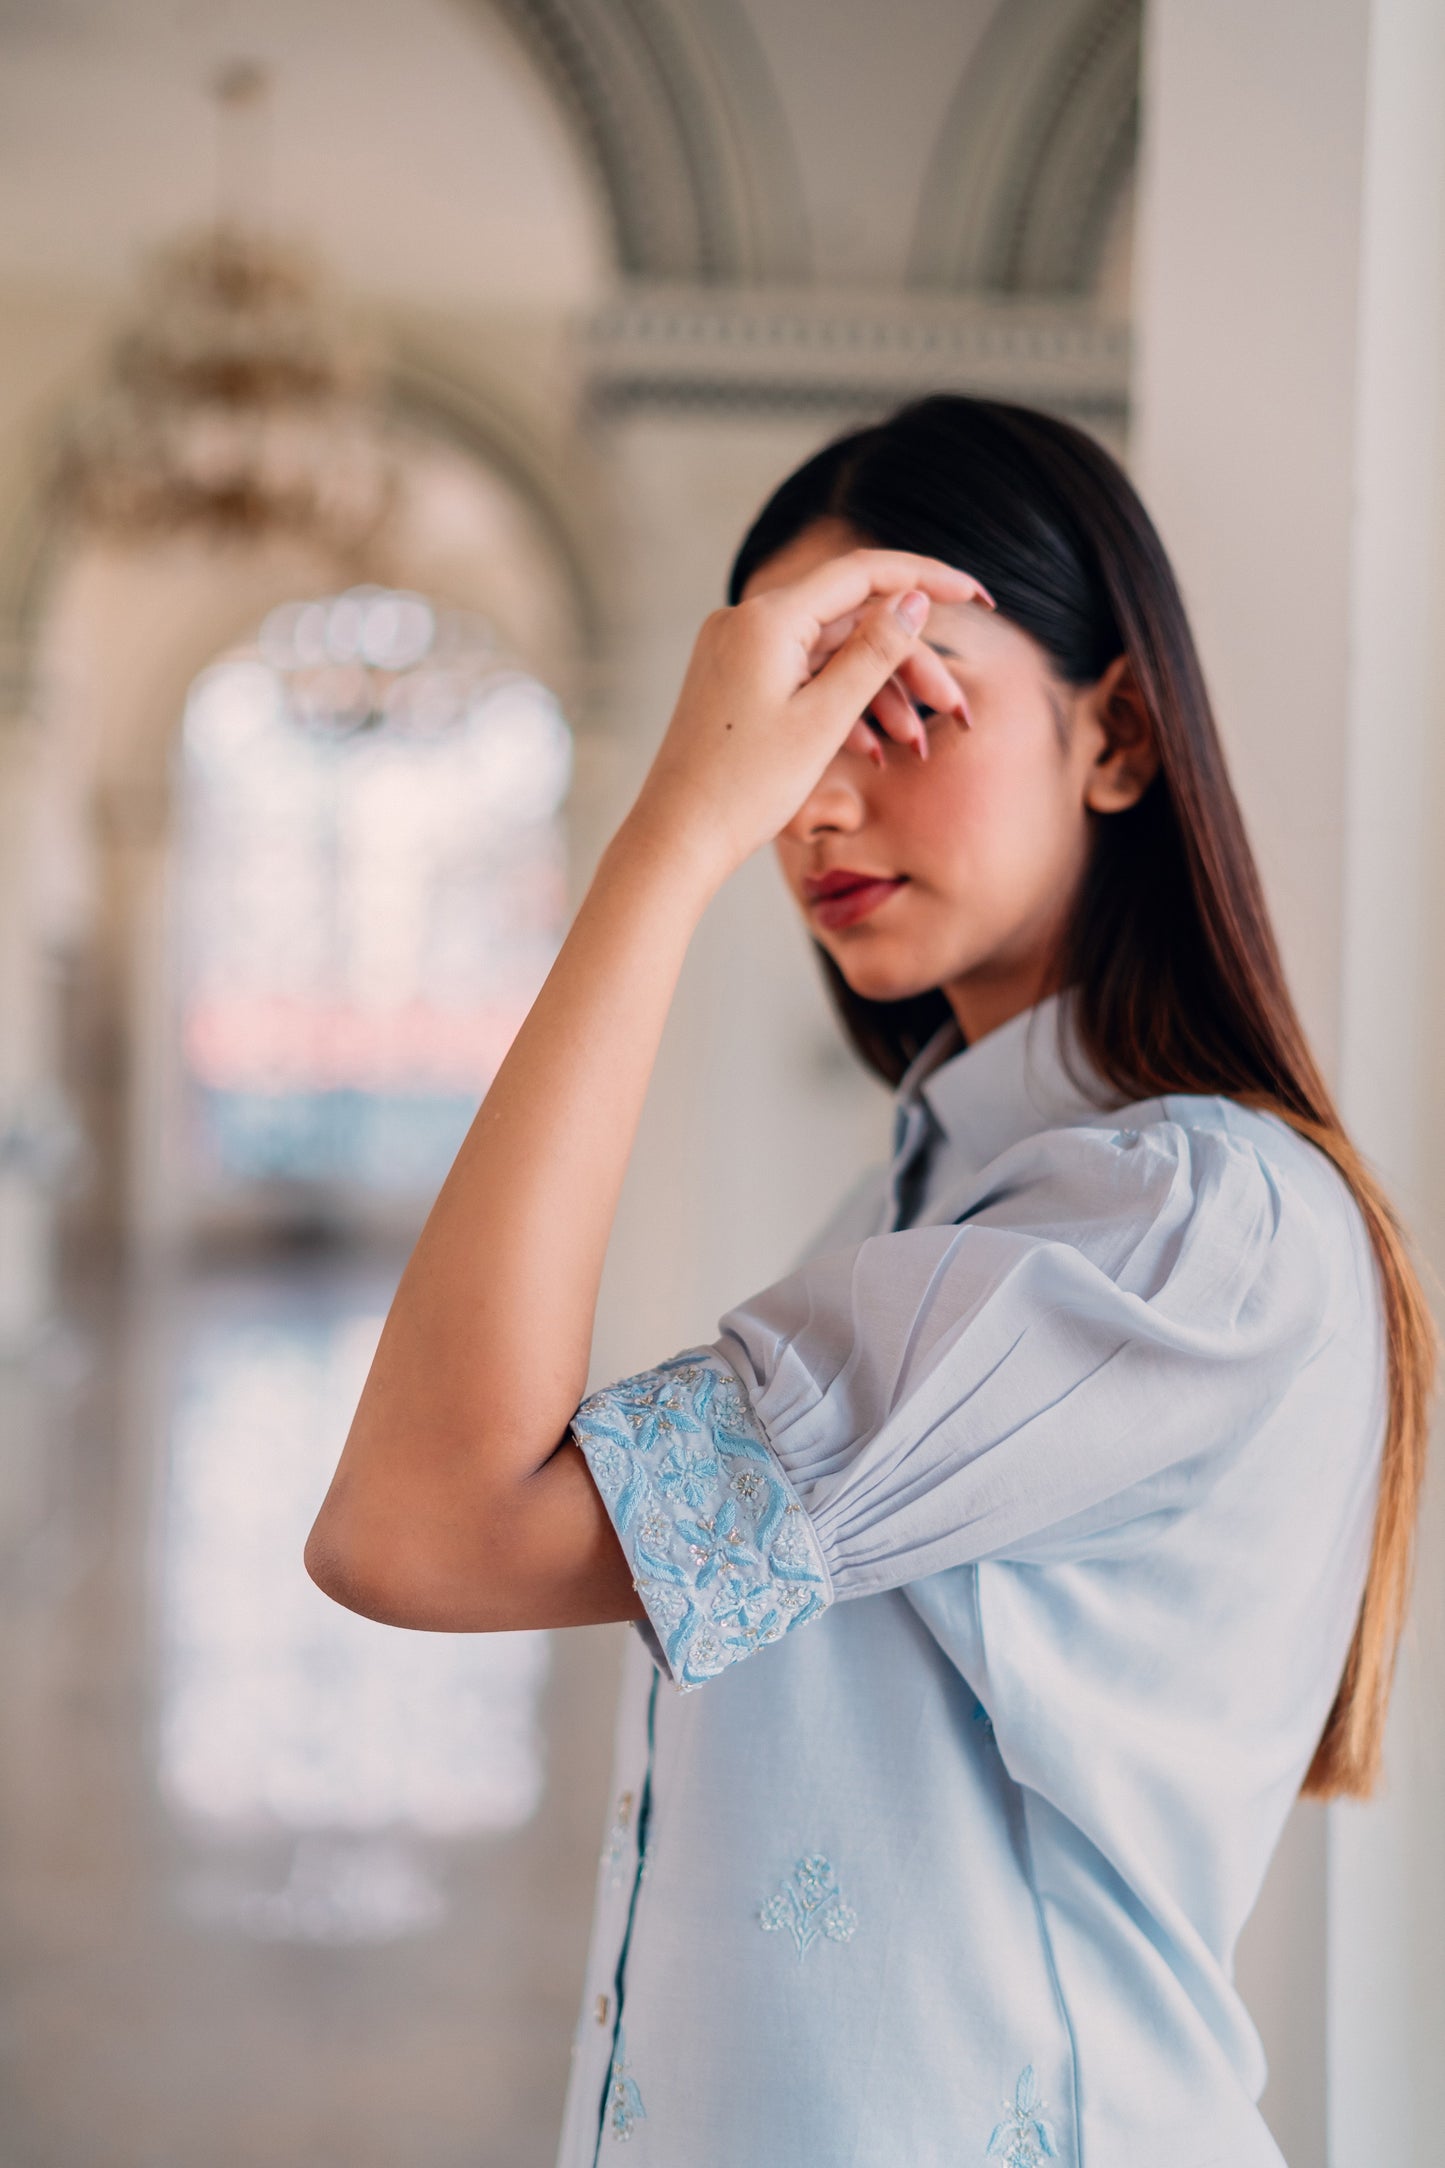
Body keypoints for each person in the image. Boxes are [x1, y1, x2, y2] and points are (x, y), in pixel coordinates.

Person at [303, 396, 1434, 2165]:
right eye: (778, 721)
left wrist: (663, 842)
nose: (805, 796)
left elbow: (417, 1529)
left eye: (894, 704)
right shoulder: (926, 1194)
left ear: (1116, 733)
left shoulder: (1176, 1228)